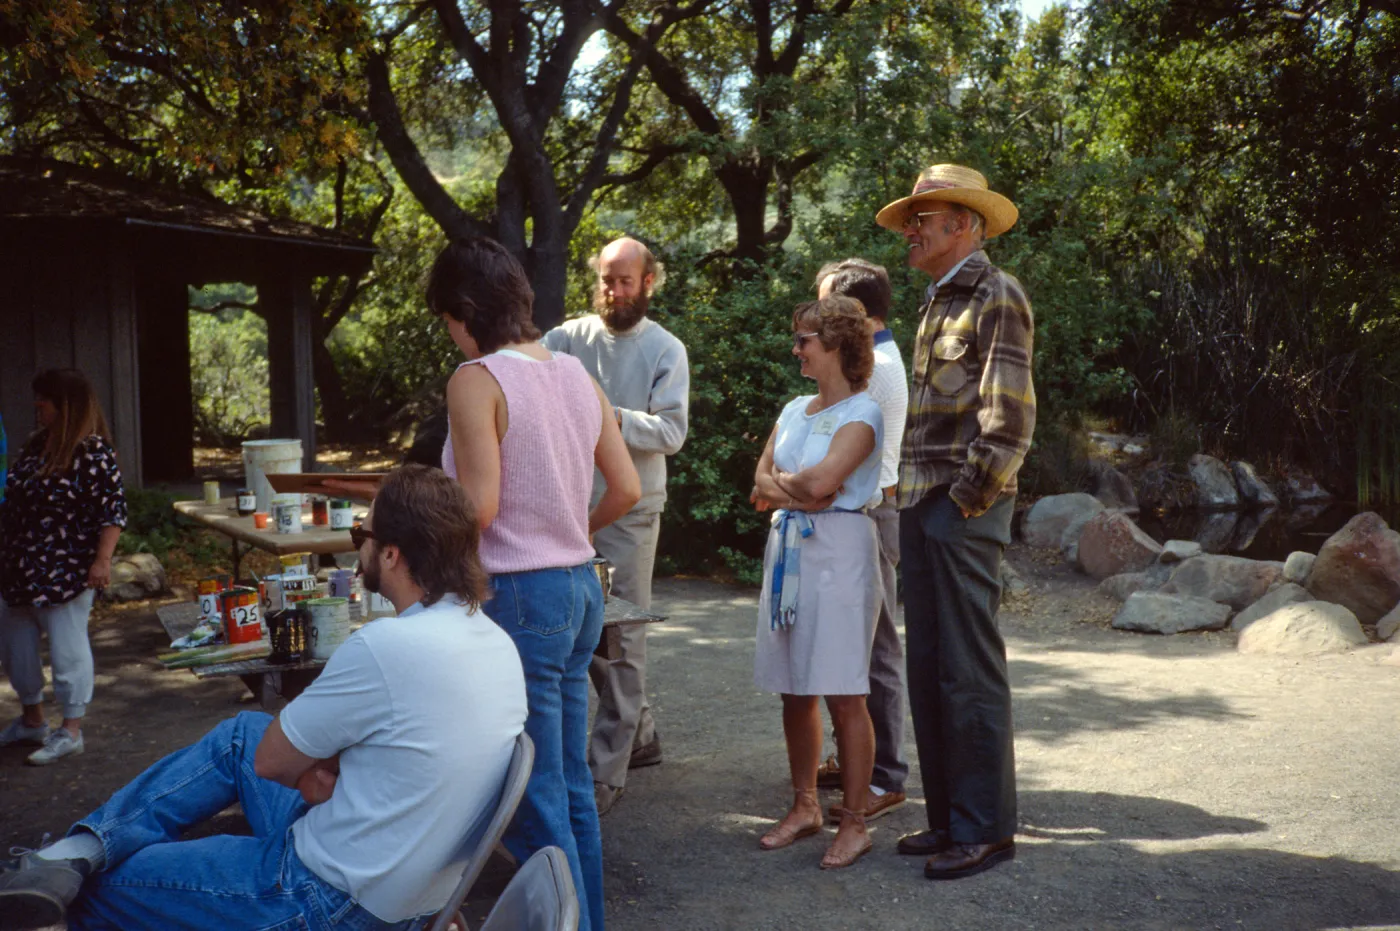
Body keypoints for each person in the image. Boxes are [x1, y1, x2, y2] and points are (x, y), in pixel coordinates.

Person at [0, 464, 528, 930]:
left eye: (361, 533)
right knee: (242, 734)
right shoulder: (495, 642)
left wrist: (316, 771)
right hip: (407, 891)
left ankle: (77, 867)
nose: (357, 545)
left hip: (324, 900)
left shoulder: (387, 645)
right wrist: (324, 769)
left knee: (104, 889)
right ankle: (76, 851)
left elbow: (274, 763)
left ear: (391, 554)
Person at [429, 236, 641, 931]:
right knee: (571, 783)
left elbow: (479, 508)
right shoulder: (575, 372)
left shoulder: (476, 378)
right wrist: (565, 528)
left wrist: (407, 523)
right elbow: (627, 487)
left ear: (466, 311)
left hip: (521, 596)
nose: (451, 335)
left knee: (533, 793)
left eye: (448, 321)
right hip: (580, 589)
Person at [874, 163, 1035, 879]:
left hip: (959, 508)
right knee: (932, 667)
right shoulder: (937, 299)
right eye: (911, 218)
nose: (910, 230)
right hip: (921, 505)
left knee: (968, 670)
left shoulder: (997, 294)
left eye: (923, 218)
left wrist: (964, 502)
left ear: (963, 224)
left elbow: (1010, 419)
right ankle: (949, 821)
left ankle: (985, 831)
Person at [541, 236, 690, 816]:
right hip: (567, 508)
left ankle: (606, 772)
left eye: (626, 280)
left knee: (623, 638)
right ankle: (641, 732)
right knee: (586, 630)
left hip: (632, 511)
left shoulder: (665, 348)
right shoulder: (564, 339)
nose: (614, 291)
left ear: (649, 282)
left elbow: (671, 433)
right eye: (607, 279)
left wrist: (608, 415)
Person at [751, 295, 885, 870]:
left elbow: (822, 483)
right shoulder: (793, 408)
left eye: (804, 339)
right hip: (790, 549)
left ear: (834, 344)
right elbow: (761, 480)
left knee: (844, 690)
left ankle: (854, 821)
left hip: (839, 553)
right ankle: (805, 804)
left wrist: (797, 487)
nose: (796, 349)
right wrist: (799, 489)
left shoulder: (864, 414)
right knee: (795, 686)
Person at [809, 259, 910, 825]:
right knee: (858, 645)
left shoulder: (880, 370)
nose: (820, 324)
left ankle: (883, 776)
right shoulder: (875, 362)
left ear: (859, 313)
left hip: (871, 513)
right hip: (865, 510)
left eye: (829, 310)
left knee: (876, 648)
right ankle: (859, 760)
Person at [0, 369, 126, 766]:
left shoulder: (93, 452)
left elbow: (113, 511)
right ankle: (32, 721)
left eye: (44, 399)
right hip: (19, 567)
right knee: (16, 647)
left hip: (66, 570)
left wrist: (102, 561)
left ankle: (71, 730)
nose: (37, 405)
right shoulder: (37, 444)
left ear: (66, 405)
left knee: (67, 649)